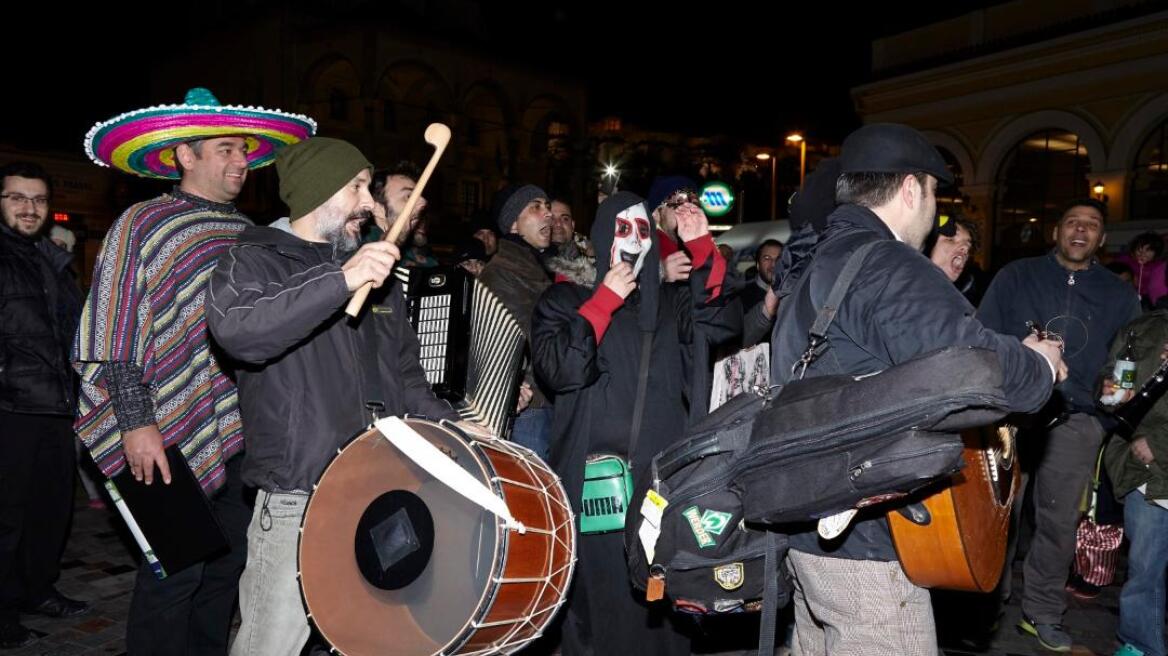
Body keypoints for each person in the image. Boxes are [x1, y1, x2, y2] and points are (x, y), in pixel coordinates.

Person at [769, 123, 1064, 655]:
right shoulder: (887, 263)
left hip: (808, 524)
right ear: (911, 188)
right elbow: (974, 369)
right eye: (934, 194)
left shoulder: (817, 259)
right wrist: (1039, 365)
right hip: (870, 541)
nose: (934, 211)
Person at [73, 87, 315, 655]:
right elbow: (114, 325)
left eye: (246, 153)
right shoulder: (144, 223)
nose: (241, 164)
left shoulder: (249, 233)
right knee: (173, 574)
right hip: (161, 429)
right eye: (227, 149)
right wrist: (135, 422)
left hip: (238, 432)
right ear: (186, 155)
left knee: (224, 571)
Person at [205, 137, 465, 656]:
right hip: (297, 495)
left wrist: (457, 431)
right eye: (356, 188)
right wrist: (342, 279)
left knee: (363, 639)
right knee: (269, 644)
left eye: (370, 188)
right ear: (317, 193)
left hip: (378, 489)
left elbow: (407, 380)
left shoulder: (377, 275)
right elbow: (240, 333)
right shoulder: (253, 262)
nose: (370, 203)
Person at [533, 190, 739, 655]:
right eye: (622, 228)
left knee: (660, 616)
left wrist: (702, 246)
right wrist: (603, 302)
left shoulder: (669, 305)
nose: (633, 238)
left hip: (660, 496)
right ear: (604, 235)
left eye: (643, 228)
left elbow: (721, 322)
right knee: (599, 612)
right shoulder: (565, 301)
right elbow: (561, 369)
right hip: (595, 494)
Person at [979, 197, 1141, 652]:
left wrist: (1118, 389)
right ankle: (987, 603)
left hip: (1076, 421)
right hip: (1009, 416)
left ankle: (1043, 613)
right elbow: (981, 334)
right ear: (1057, 231)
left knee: (1057, 524)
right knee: (998, 516)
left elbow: (1128, 357)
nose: (1080, 230)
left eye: (1091, 225)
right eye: (1072, 222)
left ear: (1102, 240)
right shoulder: (1016, 276)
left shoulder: (1119, 294)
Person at [0, 162, 87, 648]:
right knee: (7, 518)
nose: (28, 208)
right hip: (10, 409)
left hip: (56, 406)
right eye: (16, 198)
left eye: (37, 199)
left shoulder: (51, 258)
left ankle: (39, 590)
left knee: (51, 511)